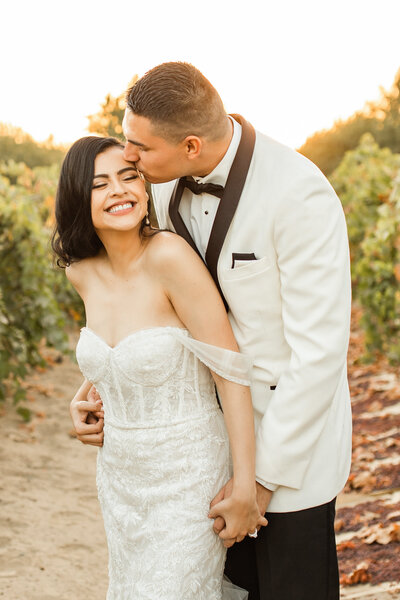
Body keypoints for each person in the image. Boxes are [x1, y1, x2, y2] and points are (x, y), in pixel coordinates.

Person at [71, 62, 352, 600]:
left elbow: (317, 356)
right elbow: (149, 306)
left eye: (138, 148)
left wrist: (260, 481)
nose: (128, 157)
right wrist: (99, 386)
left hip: (287, 449)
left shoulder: (299, 194)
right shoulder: (158, 182)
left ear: (192, 146)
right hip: (199, 454)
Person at [53, 135, 268, 600]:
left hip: (188, 475)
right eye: (100, 184)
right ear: (76, 197)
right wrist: (85, 391)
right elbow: (126, 347)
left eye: (129, 177)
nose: (120, 191)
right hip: (121, 478)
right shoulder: (81, 272)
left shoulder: (169, 256)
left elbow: (229, 371)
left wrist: (246, 485)